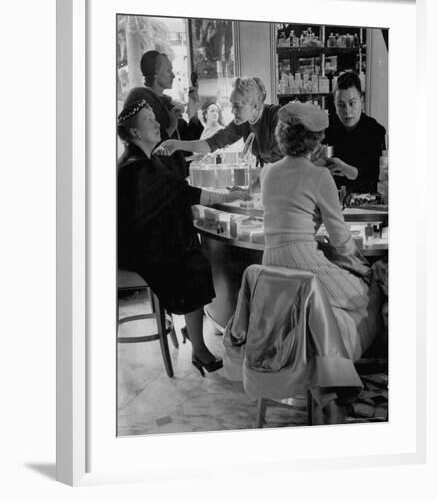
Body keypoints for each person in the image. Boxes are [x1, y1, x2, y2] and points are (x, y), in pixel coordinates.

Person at [261, 101, 383, 422]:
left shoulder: (267, 173)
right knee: (363, 293)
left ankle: (323, 375)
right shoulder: (319, 177)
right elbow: (340, 237)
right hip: (304, 268)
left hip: (271, 271)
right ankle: (335, 386)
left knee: (328, 307)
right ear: (315, 141)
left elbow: (289, 220)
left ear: (282, 136)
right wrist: (356, 261)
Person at [117, 98, 250, 376]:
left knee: (194, 254)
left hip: (148, 242)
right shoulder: (136, 167)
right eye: (148, 120)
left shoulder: (144, 158)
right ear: (134, 133)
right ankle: (199, 349)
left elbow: (173, 193)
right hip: (137, 253)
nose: (156, 123)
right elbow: (180, 194)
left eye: (155, 117)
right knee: (194, 264)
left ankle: (195, 332)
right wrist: (227, 196)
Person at [155, 77, 283, 166]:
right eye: (232, 105)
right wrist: (176, 144)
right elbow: (211, 144)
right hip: (270, 178)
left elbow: (291, 161)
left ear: (255, 106)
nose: (232, 111)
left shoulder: (277, 117)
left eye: (237, 106)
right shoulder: (242, 123)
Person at [123, 50, 203, 178]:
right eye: (168, 70)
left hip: (173, 177)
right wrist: (171, 126)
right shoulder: (140, 100)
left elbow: (187, 140)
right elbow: (153, 147)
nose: (173, 76)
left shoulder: (167, 103)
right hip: (151, 178)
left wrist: (193, 110)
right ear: (155, 73)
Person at [323, 71, 386, 193]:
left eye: (352, 103)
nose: (347, 111)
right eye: (341, 105)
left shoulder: (375, 131)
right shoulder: (325, 128)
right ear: (334, 105)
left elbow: (375, 177)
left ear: (361, 100)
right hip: (329, 197)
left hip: (365, 201)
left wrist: (346, 169)